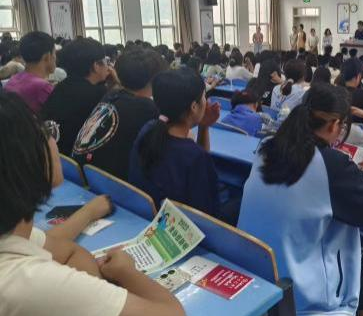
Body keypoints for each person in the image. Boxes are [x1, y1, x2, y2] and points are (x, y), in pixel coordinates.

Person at [0, 91, 187, 316]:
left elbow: (68, 250)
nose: (53, 139)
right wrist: (127, 273)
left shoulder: (11, 234)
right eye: (46, 132)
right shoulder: (32, 286)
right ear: (23, 160)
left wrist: (93, 297)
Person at [238, 83, 363, 316]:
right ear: (335, 124)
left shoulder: (267, 146)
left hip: (257, 270)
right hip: (301, 295)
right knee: (354, 234)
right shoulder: (330, 163)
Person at [128, 68, 237, 224]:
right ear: (194, 107)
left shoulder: (148, 130)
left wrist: (203, 127)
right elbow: (207, 216)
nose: (206, 101)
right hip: (181, 226)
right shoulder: (194, 157)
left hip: (149, 216)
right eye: (204, 97)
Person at [73, 48, 166, 181]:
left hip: (80, 174)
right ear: (156, 79)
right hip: (110, 184)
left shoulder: (111, 95)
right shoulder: (147, 108)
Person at [42, 38, 111, 156]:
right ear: (95, 66)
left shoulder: (61, 87)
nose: (109, 66)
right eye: (106, 61)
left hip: (52, 156)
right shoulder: (98, 94)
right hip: (74, 159)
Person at [4, 32, 56, 113]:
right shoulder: (43, 87)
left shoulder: (12, 80)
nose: (56, 58)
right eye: (55, 53)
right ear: (47, 57)